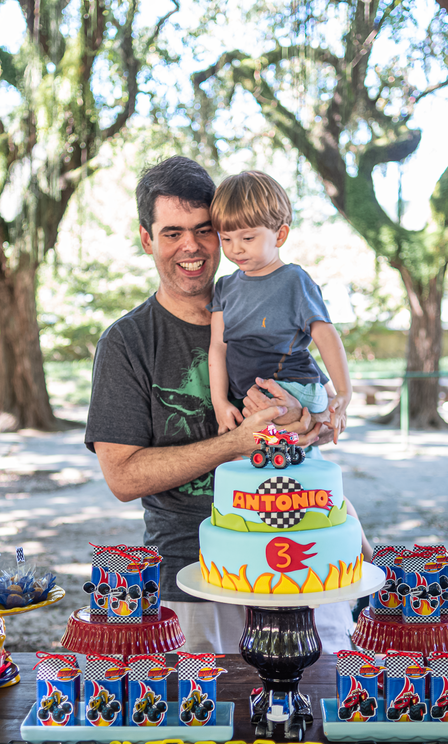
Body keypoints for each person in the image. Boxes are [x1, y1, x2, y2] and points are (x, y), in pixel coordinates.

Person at [85, 156, 364, 653]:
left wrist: (310, 422)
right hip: (189, 576)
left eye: (205, 230)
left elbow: (318, 411)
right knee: (205, 719)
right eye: (172, 233)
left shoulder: (277, 301)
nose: (190, 246)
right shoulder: (127, 342)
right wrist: (234, 442)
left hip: (301, 565)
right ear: (147, 239)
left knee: (315, 714)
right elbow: (123, 478)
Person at [207, 171, 353, 443]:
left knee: (267, 429)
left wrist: (344, 391)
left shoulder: (294, 281)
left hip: (294, 386)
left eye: (247, 238)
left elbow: (325, 335)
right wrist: (219, 403)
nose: (235, 249)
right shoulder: (224, 287)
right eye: (226, 239)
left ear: (280, 235)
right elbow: (218, 346)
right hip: (251, 394)